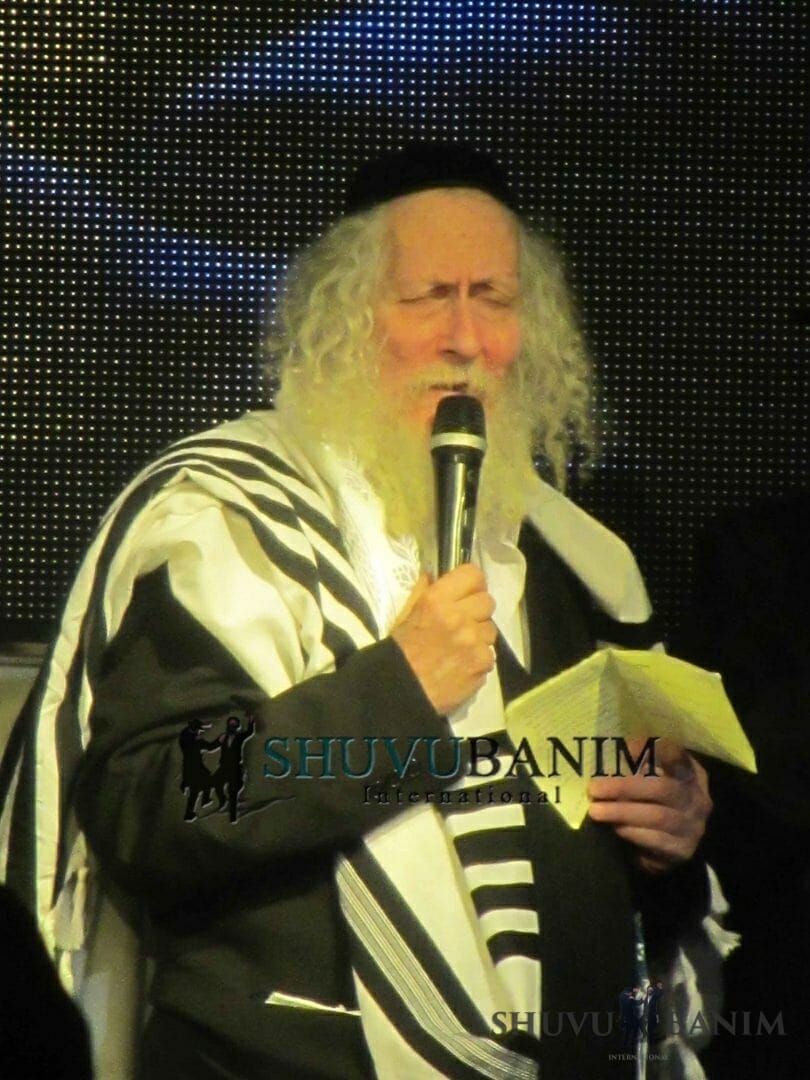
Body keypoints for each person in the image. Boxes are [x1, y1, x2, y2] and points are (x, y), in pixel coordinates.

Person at [1, 143, 727, 1079]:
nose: (464, 338)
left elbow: (611, 868)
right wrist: (395, 694)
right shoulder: (224, 520)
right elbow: (154, 809)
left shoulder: (582, 567)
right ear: (345, 319)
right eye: (428, 297)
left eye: (494, 299)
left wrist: (667, 844)